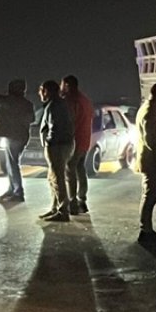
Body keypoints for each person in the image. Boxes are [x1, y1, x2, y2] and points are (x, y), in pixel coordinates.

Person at [37, 80, 74, 222]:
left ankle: (62, 211)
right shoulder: (58, 104)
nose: (40, 93)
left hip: (57, 146)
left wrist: (49, 143)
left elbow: (54, 127)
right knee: (53, 178)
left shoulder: (54, 106)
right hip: (61, 145)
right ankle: (55, 208)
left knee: (57, 178)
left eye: (41, 90)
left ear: (47, 91)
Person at [135, 83, 156, 241]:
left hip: (146, 157)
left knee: (150, 194)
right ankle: (145, 230)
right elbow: (151, 139)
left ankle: (146, 228)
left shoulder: (144, 108)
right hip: (150, 160)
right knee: (150, 195)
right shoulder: (151, 111)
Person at [60, 75, 94, 214]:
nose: (60, 88)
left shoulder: (70, 101)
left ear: (67, 85)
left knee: (70, 169)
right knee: (80, 169)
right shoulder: (85, 100)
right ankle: (82, 200)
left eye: (62, 85)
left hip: (74, 141)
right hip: (85, 140)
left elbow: (69, 121)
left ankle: (72, 202)